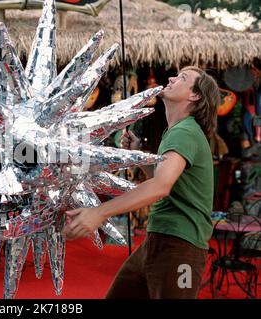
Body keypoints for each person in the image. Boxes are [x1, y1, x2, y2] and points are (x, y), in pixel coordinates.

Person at [62, 66, 220, 298]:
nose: (171, 78)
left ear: (194, 95)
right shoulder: (177, 131)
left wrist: (99, 213)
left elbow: (160, 187)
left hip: (181, 247)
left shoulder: (184, 132)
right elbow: (163, 180)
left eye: (182, 78)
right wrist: (139, 155)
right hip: (158, 240)